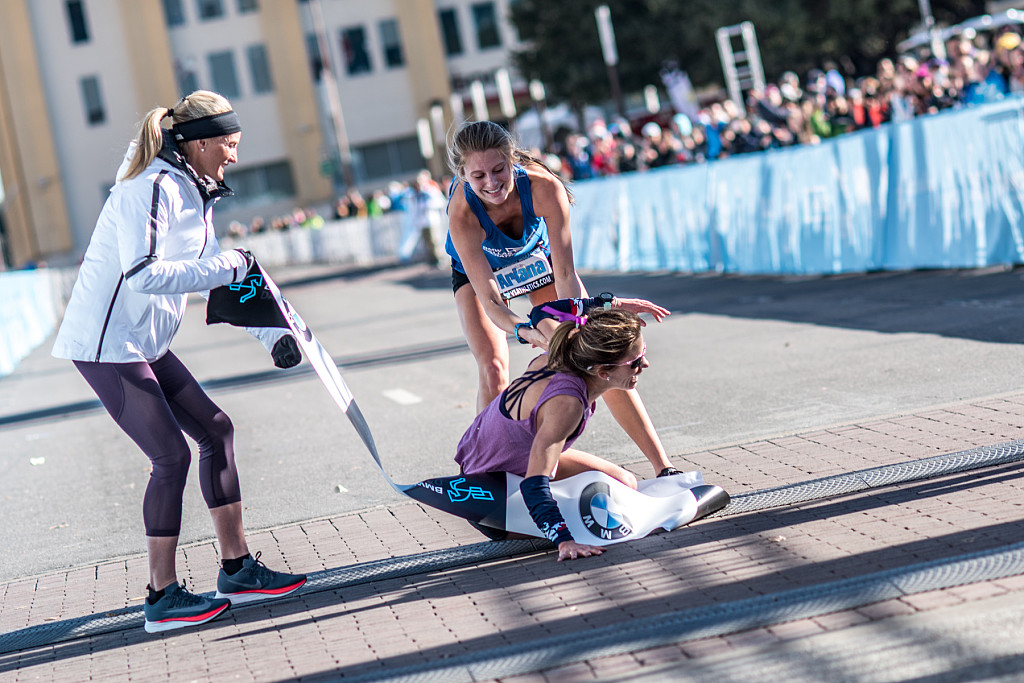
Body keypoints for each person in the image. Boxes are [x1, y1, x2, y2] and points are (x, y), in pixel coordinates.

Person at [51, 90, 307, 633]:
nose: (235, 155)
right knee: (171, 456)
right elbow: (144, 273)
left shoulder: (193, 189)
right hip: (106, 344)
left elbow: (219, 276)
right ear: (200, 142)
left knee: (217, 430)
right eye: (229, 143)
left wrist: (272, 336)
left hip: (145, 342)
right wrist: (229, 266)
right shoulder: (151, 187)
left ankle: (236, 569)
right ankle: (161, 597)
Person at [444, 120, 676, 479]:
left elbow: (566, 273)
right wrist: (525, 331)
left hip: (537, 260)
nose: (491, 183)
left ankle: (664, 468)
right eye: (478, 177)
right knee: (492, 366)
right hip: (483, 271)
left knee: (597, 352)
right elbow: (492, 303)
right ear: (463, 176)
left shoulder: (544, 187)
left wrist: (577, 330)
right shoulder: (462, 213)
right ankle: (485, 475)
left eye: (499, 170)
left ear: (512, 160)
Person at [456, 307, 679, 561]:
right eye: (635, 363)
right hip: (491, 501)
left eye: (643, 353)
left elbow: (542, 311)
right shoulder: (567, 404)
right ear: (603, 372)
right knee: (612, 509)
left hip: (493, 465)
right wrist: (564, 540)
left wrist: (612, 302)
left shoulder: (566, 351)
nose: (645, 365)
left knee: (624, 484)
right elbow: (534, 484)